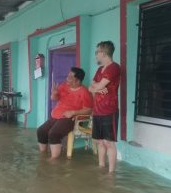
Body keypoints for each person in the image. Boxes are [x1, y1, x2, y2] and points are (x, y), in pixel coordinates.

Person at [37, 67, 93, 160]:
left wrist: (73, 112)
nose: (67, 78)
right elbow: (55, 99)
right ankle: (43, 154)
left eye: (70, 77)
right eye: (68, 76)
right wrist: (54, 94)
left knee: (53, 133)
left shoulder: (84, 92)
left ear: (77, 80)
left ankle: (54, 159)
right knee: (41, 131)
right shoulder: (64, 86)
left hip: (71, 118)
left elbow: (89, 110)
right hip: (57, 116)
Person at [89, 41, 121, 173]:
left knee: (109, 143)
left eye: (97, 52)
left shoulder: (114, 67)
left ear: (103, 53)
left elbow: (99, 86)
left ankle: (111, 173)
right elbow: (91, 87)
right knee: (99, 141)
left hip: (109, 110)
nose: (96, 55)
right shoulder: (99, 69)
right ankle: (101, 167)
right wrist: (96, 88)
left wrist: (96, 87)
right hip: (97, 110)